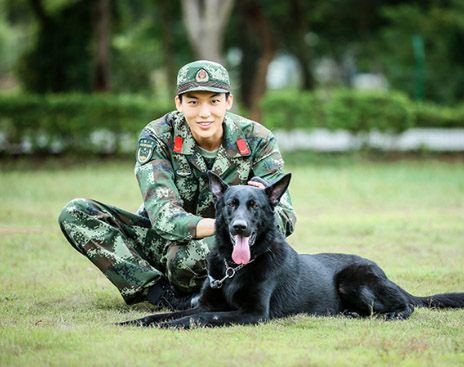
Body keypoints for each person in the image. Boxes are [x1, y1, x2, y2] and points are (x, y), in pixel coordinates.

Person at [58, 60, 297, 311]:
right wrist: (226, 223)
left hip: (227, 248)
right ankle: (160, 294)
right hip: (163, 241)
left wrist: (249, 217)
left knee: (188, 258)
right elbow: (163, 216)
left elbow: (285, 215)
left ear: (228, 101)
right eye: (193, 102)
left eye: (214, 101)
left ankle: (215, 292)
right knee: (76, 213)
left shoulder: (257, 139)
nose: (204, 113)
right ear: (178, 103)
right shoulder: (158, 136)